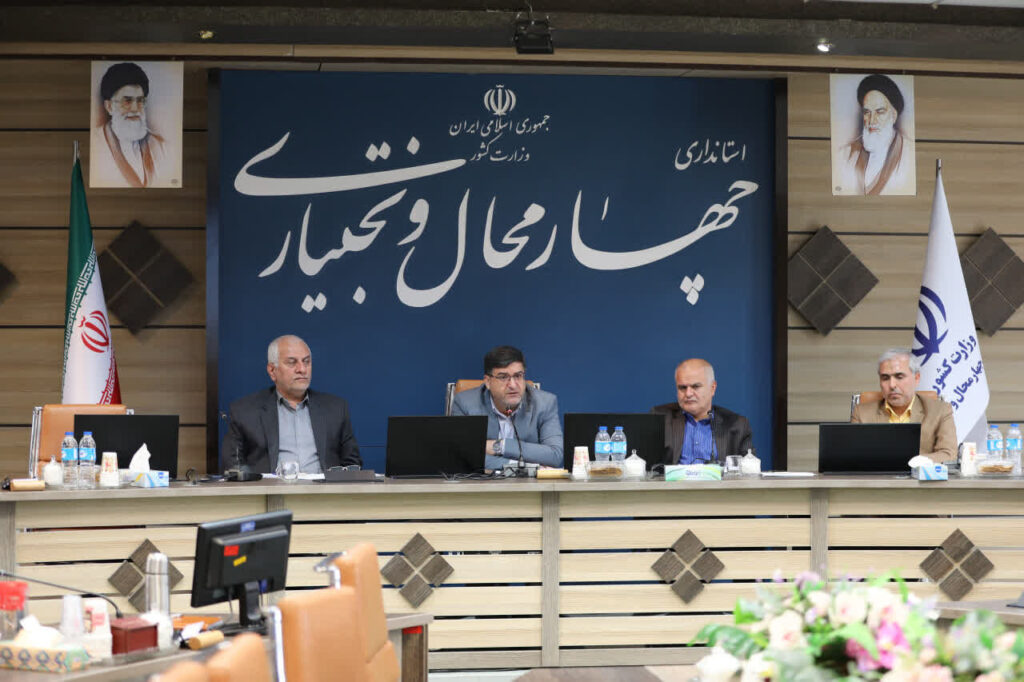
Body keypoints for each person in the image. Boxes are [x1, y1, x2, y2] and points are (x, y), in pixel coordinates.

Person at [222, 334, 361, 474]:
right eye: (292, 362)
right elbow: (234, 467)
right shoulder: (245, 411)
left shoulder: (336, 408)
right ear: (272, 371)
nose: (302, 369)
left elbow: (352, 465)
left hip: (323, 487)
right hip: (271, 487)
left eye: (306, 362)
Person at [451, 345, 563, 470]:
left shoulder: (545, 403)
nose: (513, 385)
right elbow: (462, 455)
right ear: (488, 381)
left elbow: (555, 455)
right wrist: (523, 467)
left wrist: (500, 446)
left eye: (518, 376)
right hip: (484, 481)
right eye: (503, 377)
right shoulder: (465, 403)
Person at [851, 347, 957, 460]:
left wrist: (913, 461)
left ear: (916, 378)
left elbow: (948, 454)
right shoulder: (862, 413)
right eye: (885, 378)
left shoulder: (940, 411)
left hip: (920, 471)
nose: (892, 385)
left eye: (899, 377)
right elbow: (853, 454)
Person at [652, 358, 753, 465]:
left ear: (712, 388)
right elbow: (646, 466)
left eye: (695, 386)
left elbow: (749, 470)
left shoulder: (737, 425)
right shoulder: (660, 417)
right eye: (682, 387)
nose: (688, 394)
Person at [91, 62, 168, 188]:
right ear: (109, 106)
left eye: (140, 101)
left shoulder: (160, 146)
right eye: (127, 101)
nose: (135, 109)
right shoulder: (95, 144)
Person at [837, 74, 912, 195]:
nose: (872, 121)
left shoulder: (909, 153)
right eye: (867, 112)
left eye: (880, 112)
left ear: (894, 115)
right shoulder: (846, 154)